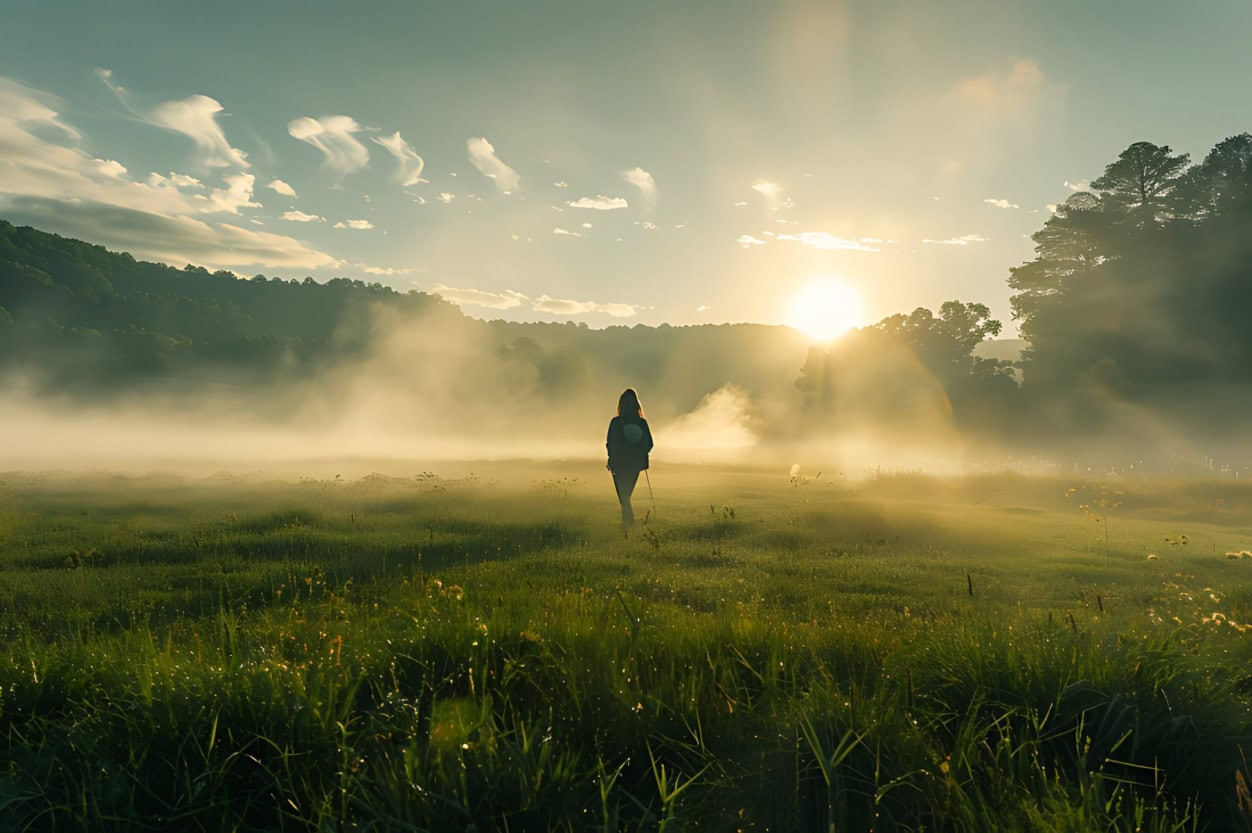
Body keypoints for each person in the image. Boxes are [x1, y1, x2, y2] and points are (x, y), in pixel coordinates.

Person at [606, 387, 654, 526]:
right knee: (626, 495)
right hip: (635, 464)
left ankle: (629, 523)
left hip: (618, 464)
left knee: (623, 496)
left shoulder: (615, 423)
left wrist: (612, 458)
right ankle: (626, 523)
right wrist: (639, 453)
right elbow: (649, 444)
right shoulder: (642, 423)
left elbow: (610, 443)